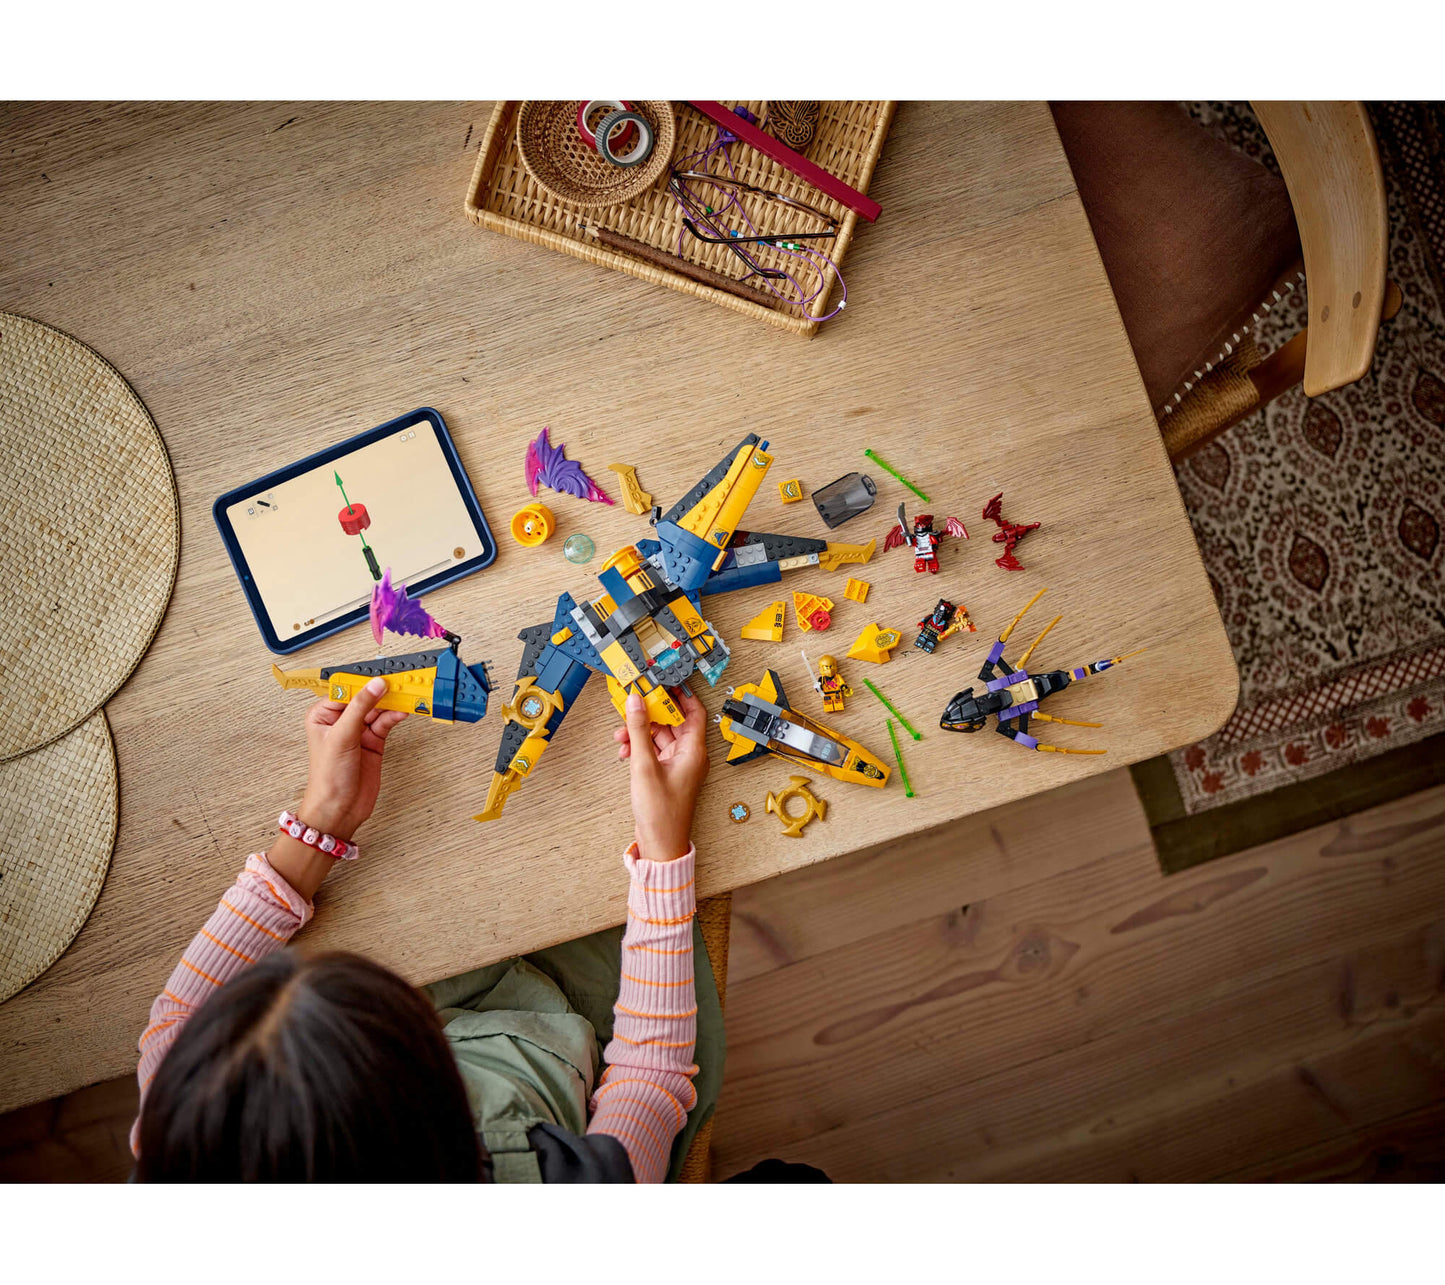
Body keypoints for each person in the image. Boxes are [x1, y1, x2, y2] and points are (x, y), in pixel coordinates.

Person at [131, 675, 716, 1183]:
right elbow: (649, 1075)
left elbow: (176, 1025)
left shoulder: (183, 1137)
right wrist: (663, 852)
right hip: (563, 1047)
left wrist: (322, 819)